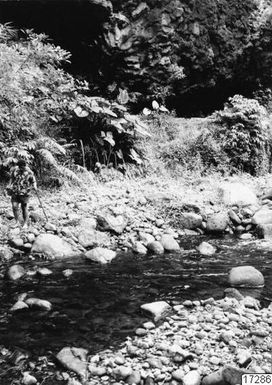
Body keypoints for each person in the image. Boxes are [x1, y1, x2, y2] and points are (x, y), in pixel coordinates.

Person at [6, 159, 37, 229]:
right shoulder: (15, 170)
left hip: (25, 192)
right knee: (14, 206)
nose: (21, 168)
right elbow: (12, 178)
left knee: (24, 207)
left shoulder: (29, 172)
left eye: (23, 167)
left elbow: (33, 181)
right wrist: (9, 185)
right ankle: (17, 222)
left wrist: (35, 186)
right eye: (20, 167)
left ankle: (25, 223)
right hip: (15, 190)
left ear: (25, 165)